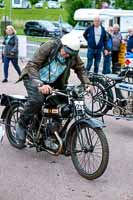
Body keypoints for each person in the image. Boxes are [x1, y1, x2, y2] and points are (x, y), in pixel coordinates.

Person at [15, 33, 92, 148]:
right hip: (34, 78)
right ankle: (22, 124)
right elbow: (32, 65)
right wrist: (40, 84)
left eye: (70, 54)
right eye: (65, 52)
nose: (67, 55)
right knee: (37, 100)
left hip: (54, 83)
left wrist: (87, 83)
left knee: (61, 106)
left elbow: (80, 68)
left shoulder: (72, 54)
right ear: (62, 45)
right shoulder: (50, 46)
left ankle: (50, 135)